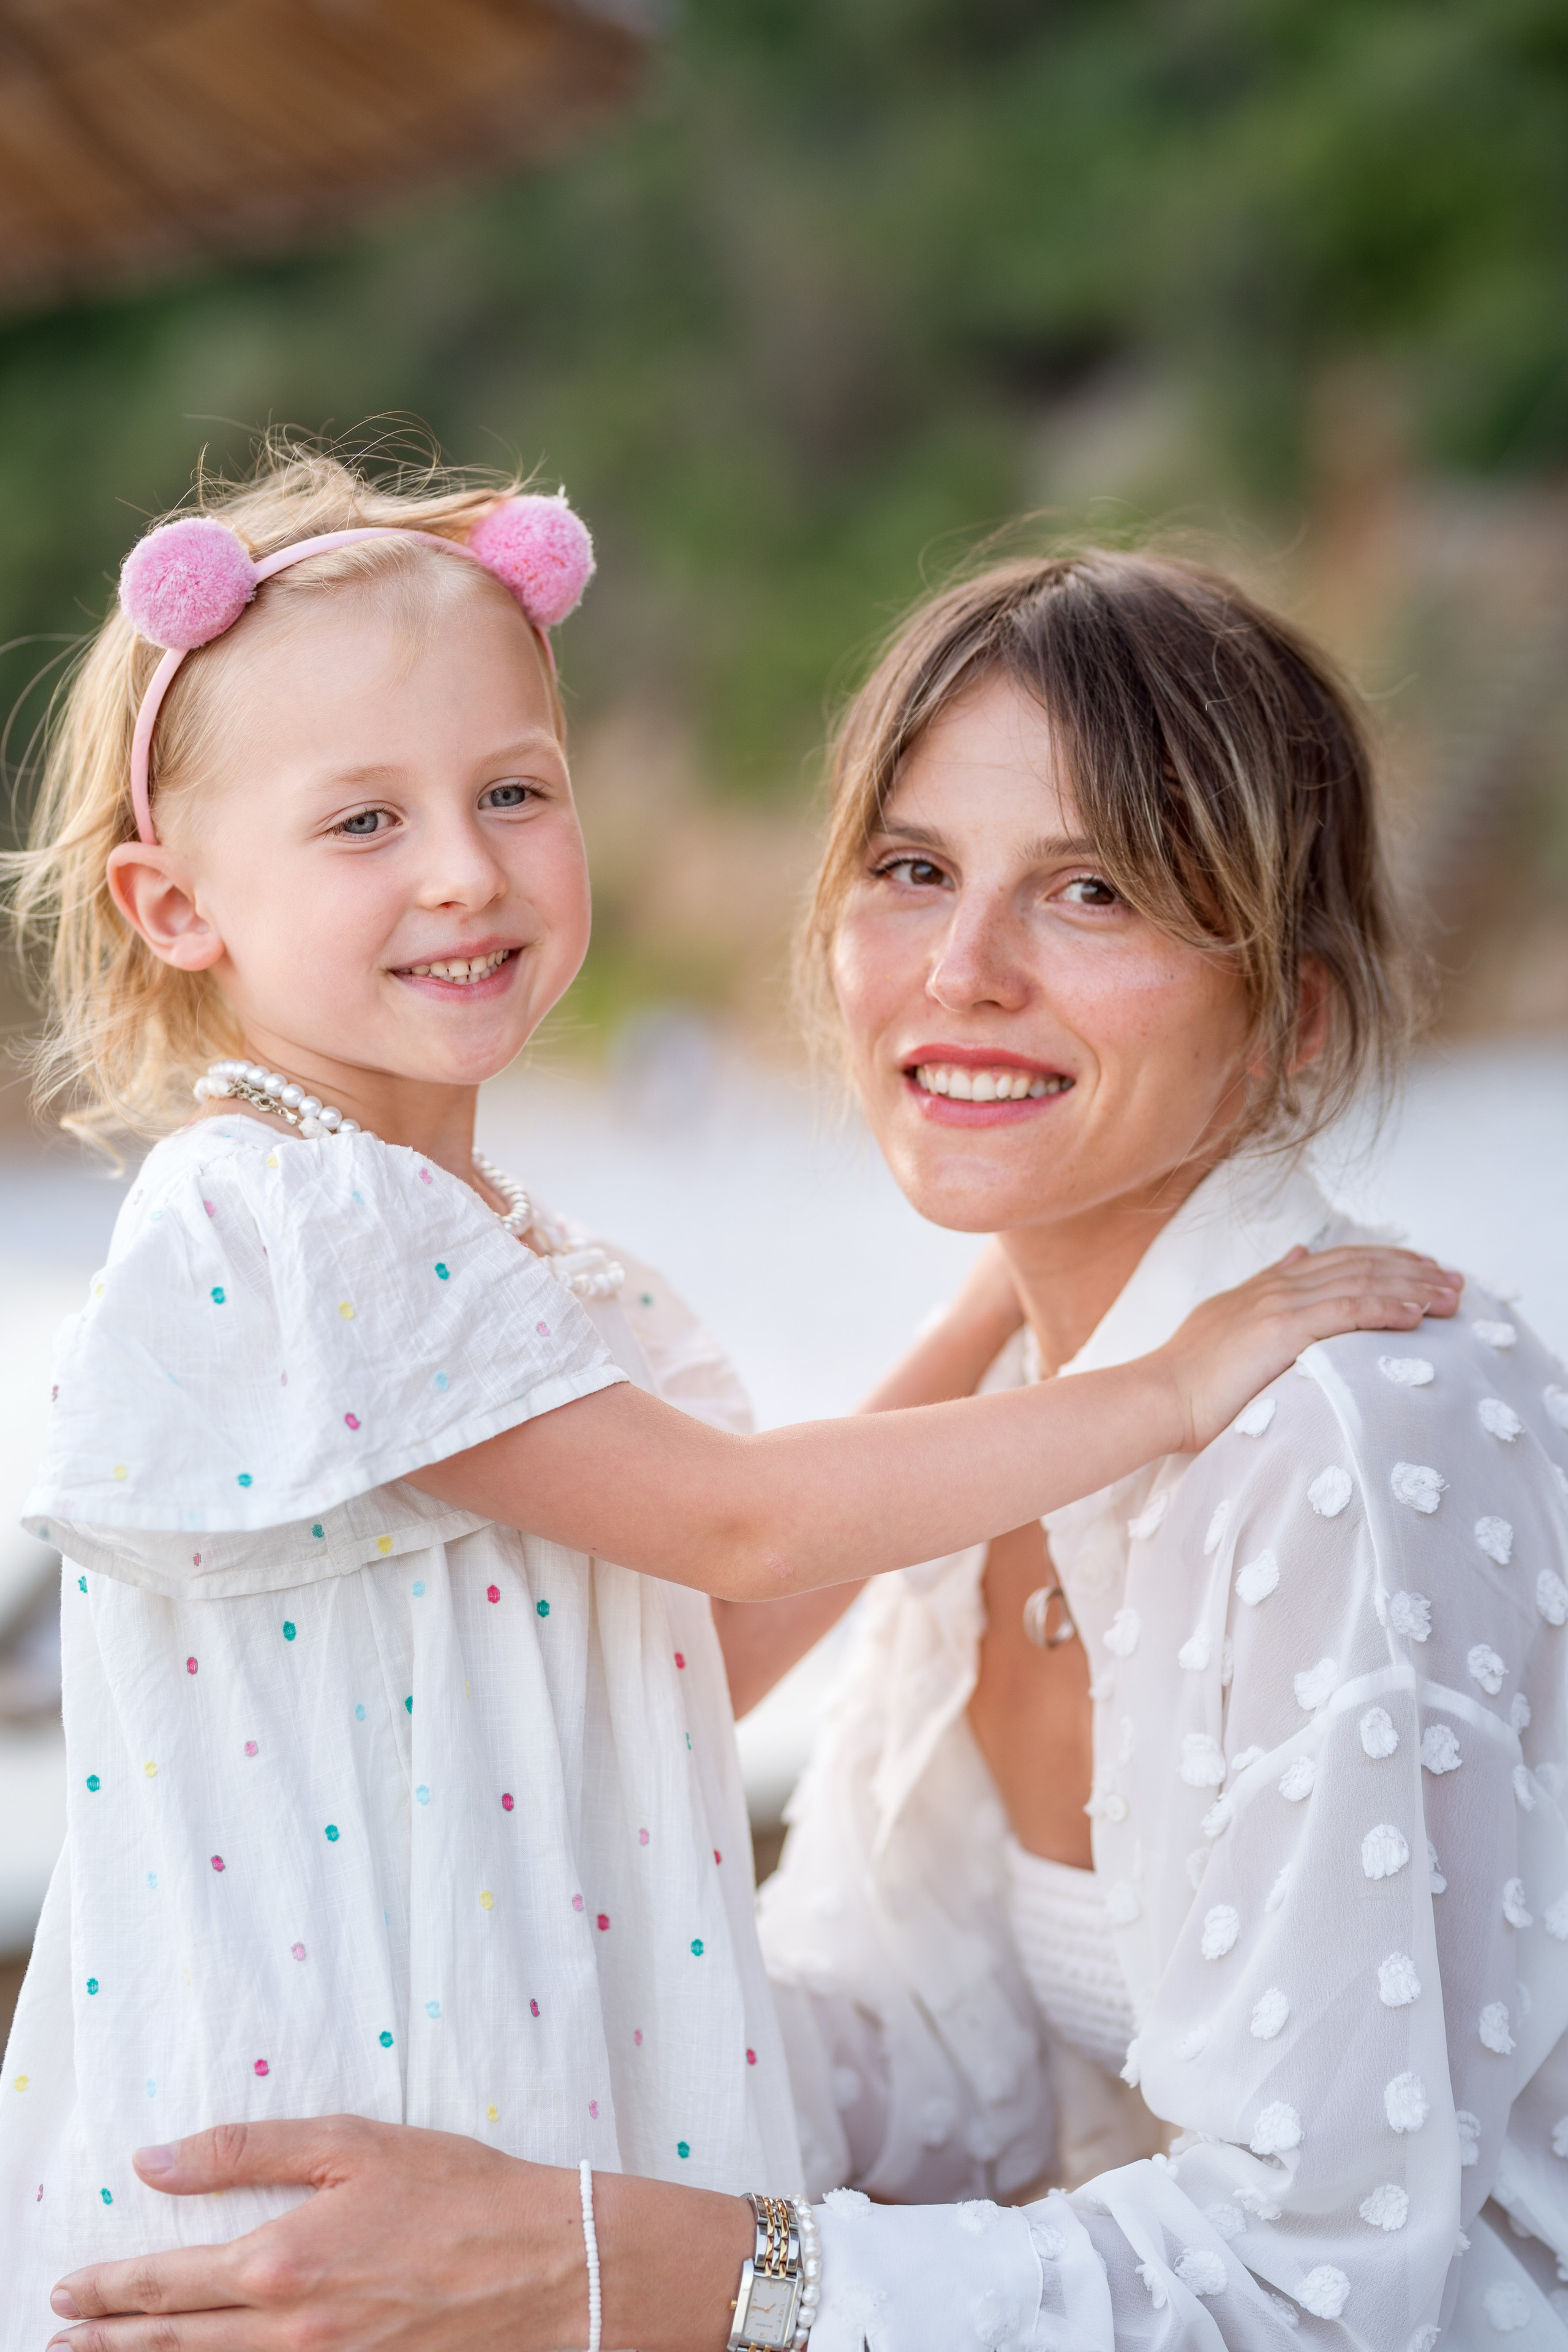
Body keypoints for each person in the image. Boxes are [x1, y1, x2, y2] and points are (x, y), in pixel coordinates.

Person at [0, 455, 1446, 2351]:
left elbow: (688, 1643)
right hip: (331, 2116)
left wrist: (1005, 1317)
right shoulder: (280, 1213)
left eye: (515, 790)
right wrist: (1168, 1385)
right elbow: (745, 1520)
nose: (465, 865)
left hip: (472, 2095)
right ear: (174, 905)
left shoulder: (485, 1258)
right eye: (363, 820)